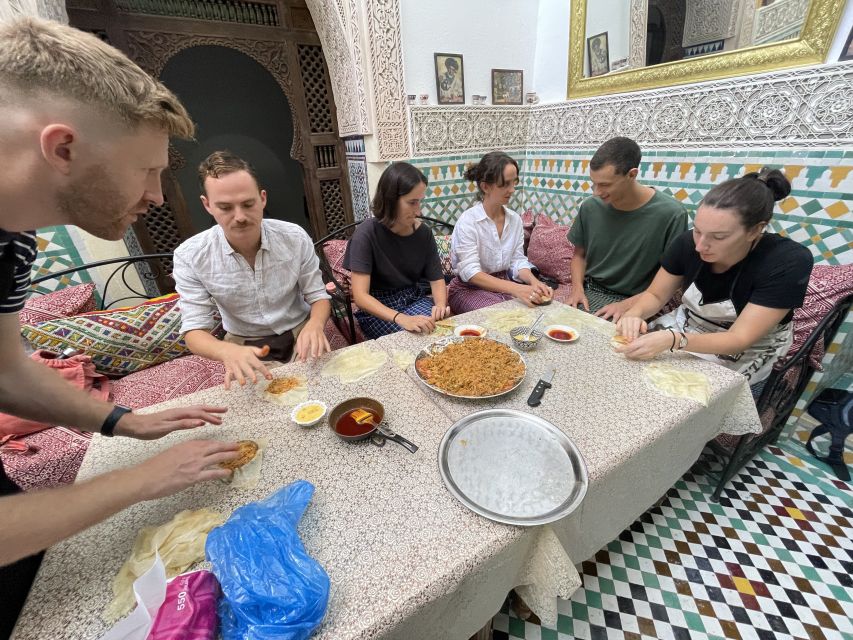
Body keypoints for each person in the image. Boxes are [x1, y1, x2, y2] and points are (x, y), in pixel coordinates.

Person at [0, 17, 238, 634]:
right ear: (63, 148)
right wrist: (142, 479)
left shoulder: (14, 240)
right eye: (147, 170)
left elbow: (6, 373)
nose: (159, 196)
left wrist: (122, 421)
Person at [615, 169, 813, 394]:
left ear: (756, 230)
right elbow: (656, 295)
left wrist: (673, 341)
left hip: (745, 348)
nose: (700, 246)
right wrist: (635, 313)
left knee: (685, 397)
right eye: (698, 231)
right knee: (623, 365)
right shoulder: (686, 244)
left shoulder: (787, 261)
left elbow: (739, 339)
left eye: (718, 237)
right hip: (685, 326)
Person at [173, 151, 332, 389]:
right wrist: (226, 351)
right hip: (243, 344)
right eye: (225, 207)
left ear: (263, 198)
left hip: (301, 333)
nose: (240, 217)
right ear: (207, 205)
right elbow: (194, 330)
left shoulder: (294, 237)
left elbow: (318, 296)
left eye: (248, 204)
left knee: (329, 393)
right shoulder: (191, 256)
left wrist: (316, 324)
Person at [567, 137, 688, 319]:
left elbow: (673, 279)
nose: (596, 192)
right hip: (590, 290)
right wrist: (576, 289)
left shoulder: (672, 214)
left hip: (640, 301)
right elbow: (579, 255)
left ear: (632, 174)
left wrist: (626, 305)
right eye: (594, 183)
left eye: (605, 185)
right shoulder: (590, 207)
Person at [342, 162, 450, 339]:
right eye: (412, 202)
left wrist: (439, 305)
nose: (418, 210)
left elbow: (437, 279)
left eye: (420, 201)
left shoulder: (424, 233)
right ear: (391, 200)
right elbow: (361, 297)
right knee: (416, 337)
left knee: (443, 332)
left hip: (412, 298)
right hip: (377, 309)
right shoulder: (367, 233)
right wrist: (402, 319)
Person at [448, 152, 552, 313]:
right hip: (468, 289)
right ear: (485, 187)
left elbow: (517, 261)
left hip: (504, 286)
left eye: (514, 182)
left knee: (536, 311)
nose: (512, 189)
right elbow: (471, 273)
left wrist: (533, 281)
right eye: (505, 184)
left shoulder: (515, 220)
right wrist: (515, 289)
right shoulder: (468, 222)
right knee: (504, 316)